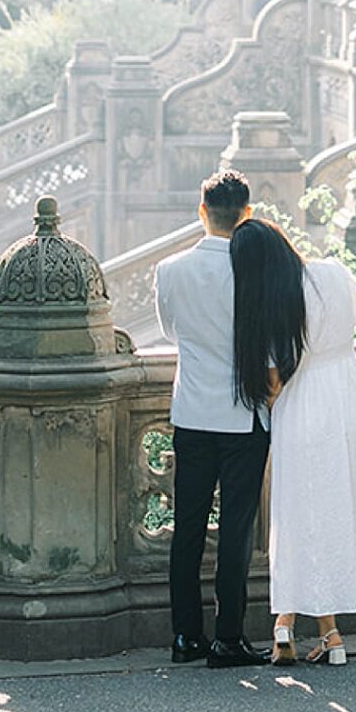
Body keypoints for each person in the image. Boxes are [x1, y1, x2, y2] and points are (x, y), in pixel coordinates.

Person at [230, 216, 356, 666]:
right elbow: (353, 322)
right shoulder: (332, 274)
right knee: (336, 510)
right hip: (345, 399)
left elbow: (273, 381)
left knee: (299, 516)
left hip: (302, 407)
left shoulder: (271, 305)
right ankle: (318, 632)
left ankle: (298, 626)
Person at [154, 169, 271, 668]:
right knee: (236, 533)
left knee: (188, 529)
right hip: (243, 416)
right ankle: (228, 638)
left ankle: (185, 636)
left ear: (201, 212)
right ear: (246, 214)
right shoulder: (255, 271)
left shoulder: (170, 270)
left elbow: (170, 334)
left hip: (192, 413)